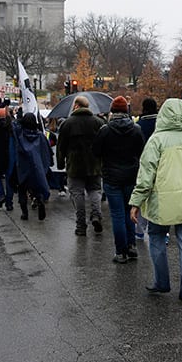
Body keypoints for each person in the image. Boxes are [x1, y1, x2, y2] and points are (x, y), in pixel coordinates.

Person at [129, 98, 182, 304]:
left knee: (156, 239)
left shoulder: (156, 141)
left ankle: (162, 281)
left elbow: (146, 176)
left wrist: (136, 201)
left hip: (161, 202)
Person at [92, 96, 145, 263]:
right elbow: (141, 151)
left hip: (111, 177)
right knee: (131, 212)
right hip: (131, 176)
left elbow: (96, 151)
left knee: (117, 215)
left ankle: (120, 251)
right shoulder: (136, 129)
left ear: (112, 111)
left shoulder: (105, 130)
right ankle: (131, 246)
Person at [57, 95, 105, 235]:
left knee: (77, 193)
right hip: (94, 164)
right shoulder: (98, 122)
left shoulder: (67, 124)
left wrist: (61, 164)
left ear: (77, 106)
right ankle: (96, 215)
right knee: (95, 190)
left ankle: (81, 225)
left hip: (75, 164)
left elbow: (61, 147)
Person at [14, 112, 51, 221]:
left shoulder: (20, 135)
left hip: (23, 167)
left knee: (22, 190)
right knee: (36, 188)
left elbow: (13, 125)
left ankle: (24, 213)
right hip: (36, 167)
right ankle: (39, 201)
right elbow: (46, 152)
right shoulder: (40, 136)